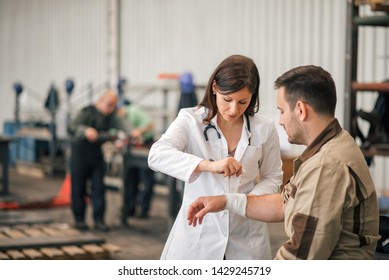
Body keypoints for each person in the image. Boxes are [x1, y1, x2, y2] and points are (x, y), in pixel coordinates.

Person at [187, 65, 381, 260]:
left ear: (300, 110)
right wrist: (226, 201)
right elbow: (286, 204)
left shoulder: (326, 166)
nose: (280, 121)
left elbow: (301, 255)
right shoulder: (334, 143)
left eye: (281, 111)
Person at [148, 54, 283, 260]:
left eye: (242, 102)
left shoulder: (264, 127)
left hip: (247, 233)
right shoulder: (191, 120)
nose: (233, 109)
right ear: (214, 88)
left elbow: (273, 177)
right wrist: (207, 166)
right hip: (199, 234)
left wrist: (242, 202)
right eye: (227, 99)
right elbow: (157, 155)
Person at [68, 90, 130, 231]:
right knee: (78, 189)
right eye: (108, 105)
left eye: (113, 106)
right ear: (100, 101)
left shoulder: (111, 116)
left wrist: (132, 132)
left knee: (99, 189)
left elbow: (123, 124)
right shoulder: (87, 112)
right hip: (80, 155)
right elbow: (72, 127)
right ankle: (79, 220)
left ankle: (99, 220)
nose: (110, 109)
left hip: (96, 156)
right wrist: (85, 131)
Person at [119, 99, 155, 223]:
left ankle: (144, 210)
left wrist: (138, 131)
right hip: (132, 148)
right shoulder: (118, 119)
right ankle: (130, 208)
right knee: (130, 180)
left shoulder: (133, 111)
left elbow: (151, 125)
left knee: (146, 181)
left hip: (145, 145)